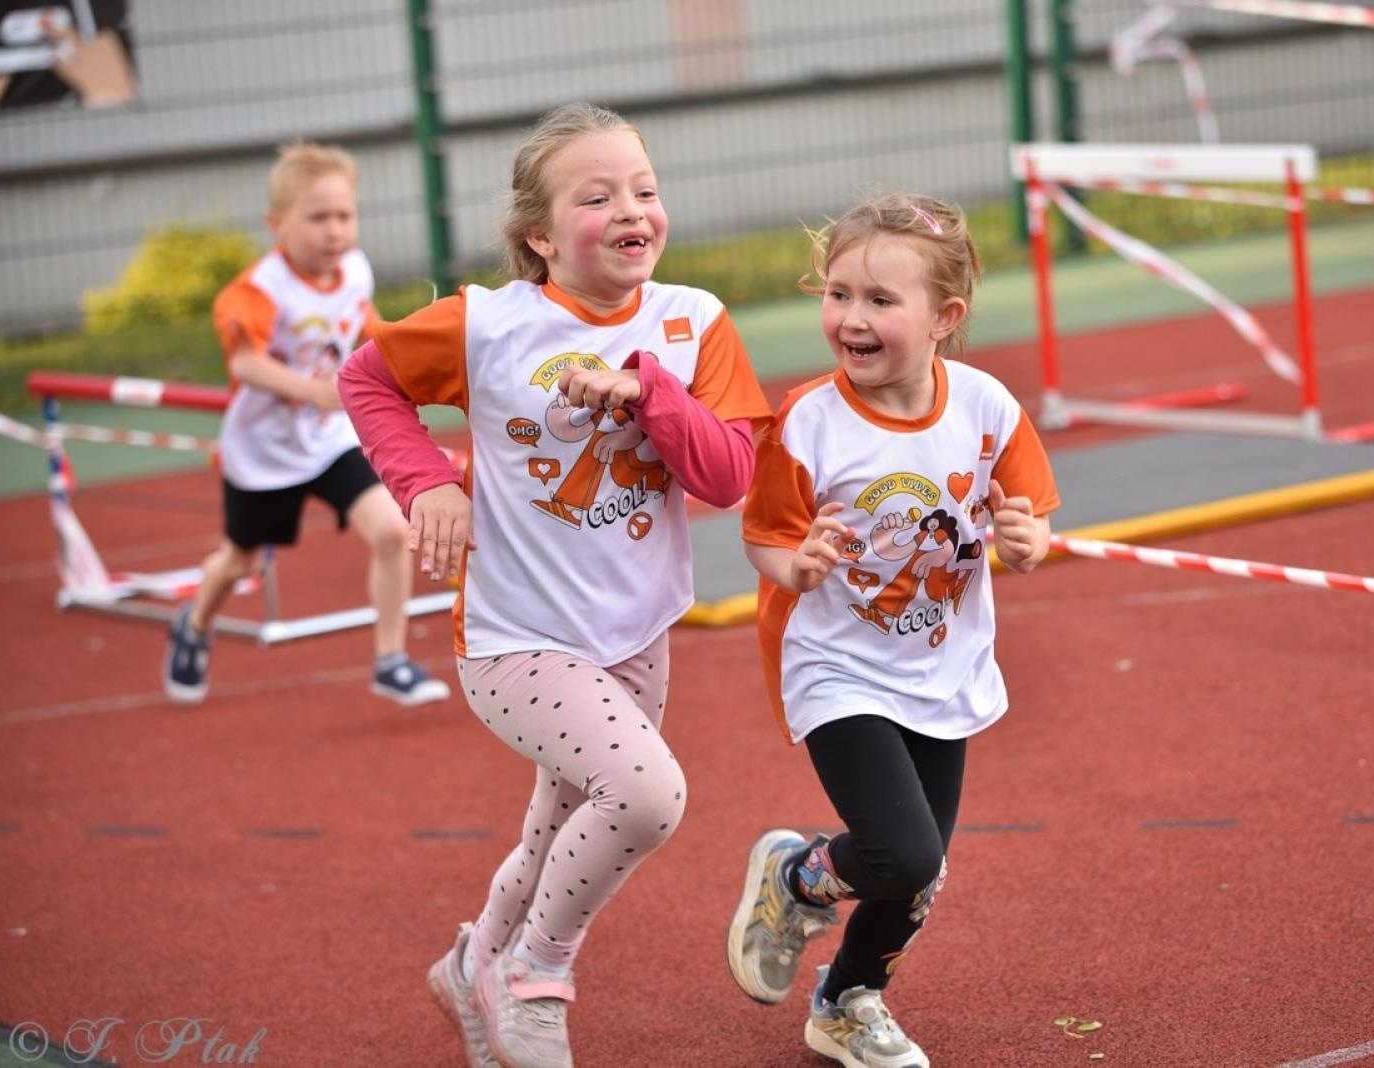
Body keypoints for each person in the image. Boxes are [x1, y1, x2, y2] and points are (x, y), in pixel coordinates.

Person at [336, 102, 771, 1068]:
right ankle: (532, 976)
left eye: (646, 191)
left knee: (559, 826)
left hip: (634, 632)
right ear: (539, 235)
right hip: (512, 636)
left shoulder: (695, 322)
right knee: (645, 795)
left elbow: (728, 476)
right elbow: (367, 381)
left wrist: (651, 389)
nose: (635, 209)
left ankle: (471, 963)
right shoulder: (487, 326)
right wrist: (427, 484)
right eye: (599, 196)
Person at [727, 193, 1060, 1068]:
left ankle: (844, 1002)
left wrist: (1028, 543)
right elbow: (764, 537)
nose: (851, 318)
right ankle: (797, 879)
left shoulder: (987, 408)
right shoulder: (807, 420)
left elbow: (1028, 521)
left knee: (918, 873)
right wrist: (795, 565)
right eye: (838, 294)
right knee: (901, 850)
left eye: (880, 301)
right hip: (836, 664)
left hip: (941, 670)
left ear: (945, 318)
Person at [162, 142, 450, 708]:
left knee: (392, 530)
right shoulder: (261, 289)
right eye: (318, 218)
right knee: (240, 558)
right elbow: (245, 362)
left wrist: (408, 352)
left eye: (344, 216)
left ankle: (391, 659)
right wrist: (318, 391)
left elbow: (363, 326)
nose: (334, 230)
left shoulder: (355, 271)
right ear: (278, 224)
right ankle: (194, 624)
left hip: (329, 439)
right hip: (266, 451)